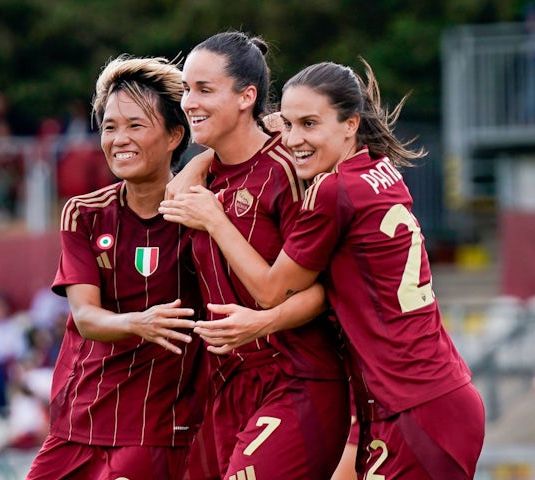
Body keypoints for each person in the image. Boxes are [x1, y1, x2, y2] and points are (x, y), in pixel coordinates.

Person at [161, 59, 486, 478]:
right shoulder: (379, 170)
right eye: (291, 125)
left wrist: (214, 218)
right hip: (426, 396)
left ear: (350, 124)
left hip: (412, 403)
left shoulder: (332, 192)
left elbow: (271, 289)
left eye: (309, 124)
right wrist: (203, 161)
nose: (294, 139)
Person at [175, 31, 349, 479]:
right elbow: (170, 199)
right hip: (229, 383)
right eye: (186, 89)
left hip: (295, 377)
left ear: (246, 96)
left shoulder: (289, 167)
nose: (189, 101)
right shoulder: (206, 174)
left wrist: (215, 214)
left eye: (204, 90)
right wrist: (201, 162)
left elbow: (322, 289)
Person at [26, 55, 207, 480]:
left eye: (135, 125)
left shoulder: (202, 213)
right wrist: (140, 322)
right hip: (78, 418)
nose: (118, 139)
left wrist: (202, 162)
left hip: (157, 427)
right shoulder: (84, 214)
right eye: (110, 127)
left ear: (174, 136)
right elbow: (85, 317)